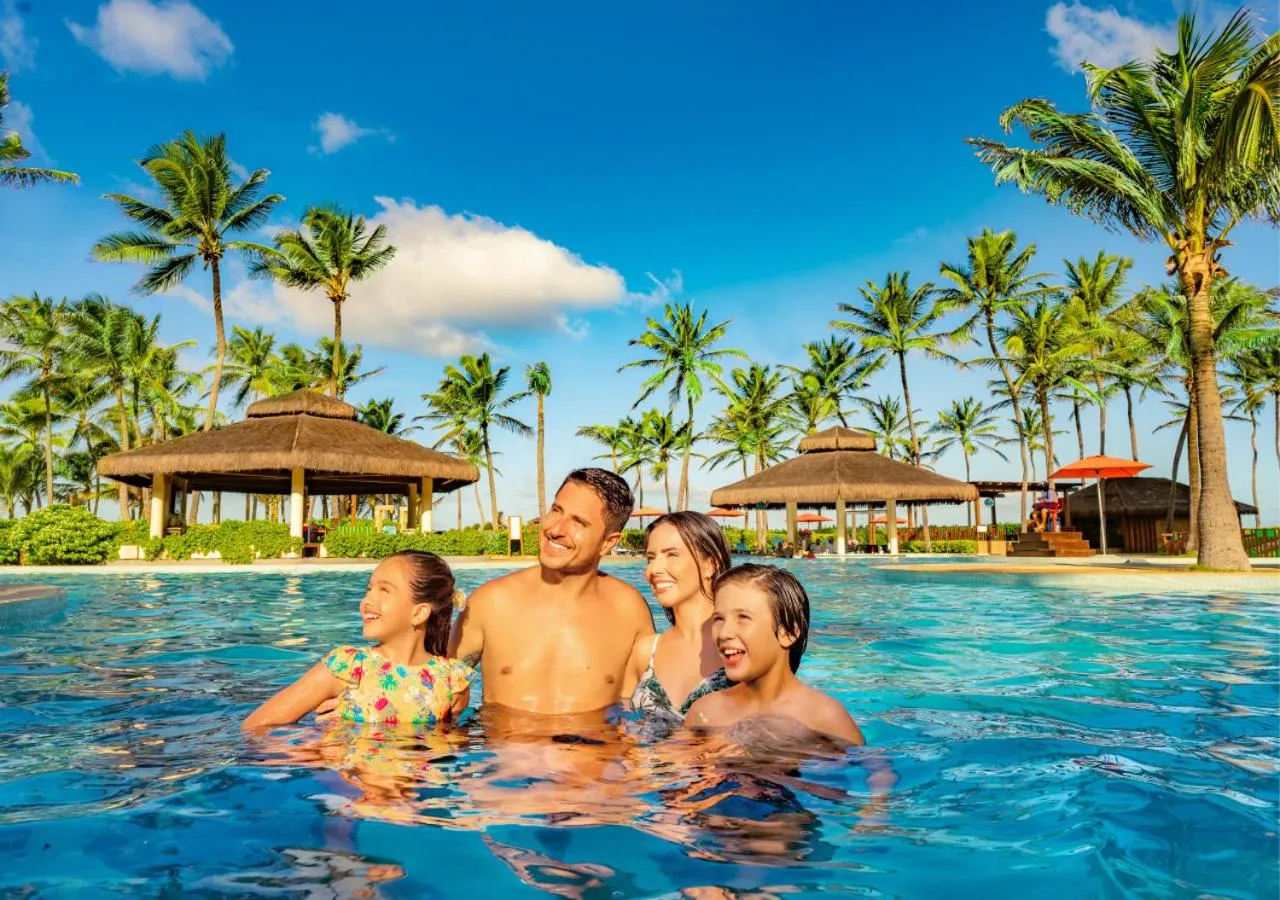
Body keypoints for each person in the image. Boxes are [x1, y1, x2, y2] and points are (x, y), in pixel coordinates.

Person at [449, 467, 655, 716]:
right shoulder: (490, 602)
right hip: (506, 753)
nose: (556, 529)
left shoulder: (628, 610)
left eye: (579, 522)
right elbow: (446, 698)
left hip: (594, 753)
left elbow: (646, 712)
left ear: (608, 542)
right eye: (556, 510)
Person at [243, 551, 474, 729]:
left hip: (416, 788)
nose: (366, 600)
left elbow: (448, 748)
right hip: (347, 786)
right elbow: (258, 726)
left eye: (384, 590)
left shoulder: (453, 681)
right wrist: (316, 743)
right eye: (369, 589)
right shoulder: (348, 666)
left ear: (418, 613)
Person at [684, 564, 864, 746]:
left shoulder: (823, 716)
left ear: (788, 633)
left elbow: (875, 772)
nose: (724, 633)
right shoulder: (704, 713)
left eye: (743, 618)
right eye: (719, 619)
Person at [622, 511, 734, 726]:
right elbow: (620, 731)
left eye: (672, 554)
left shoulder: (740, 648)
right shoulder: (646, 651)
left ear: (710, 564)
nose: (654, 569)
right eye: (651, 558)